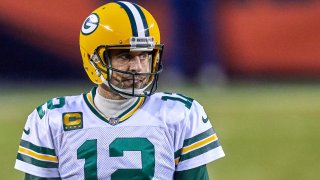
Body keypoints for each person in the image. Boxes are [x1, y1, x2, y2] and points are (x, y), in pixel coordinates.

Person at [14, 1, 225, 179]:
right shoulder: (50, 119)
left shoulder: (180, 114)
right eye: (125, 56)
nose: (137, 67)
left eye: (144, 55)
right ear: (94, 59)